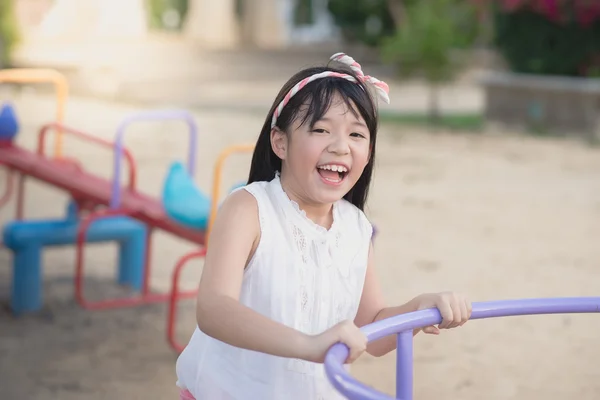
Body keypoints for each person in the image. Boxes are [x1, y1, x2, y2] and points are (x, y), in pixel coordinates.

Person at [175, 52, 472, 400]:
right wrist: (309, 345)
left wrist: (417, 311)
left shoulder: (356, 227)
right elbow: (214, 308)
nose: (340, 146)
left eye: (356, 135)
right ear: (280, 142)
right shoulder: (249, 208)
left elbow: (370, 328)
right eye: (320, 129)